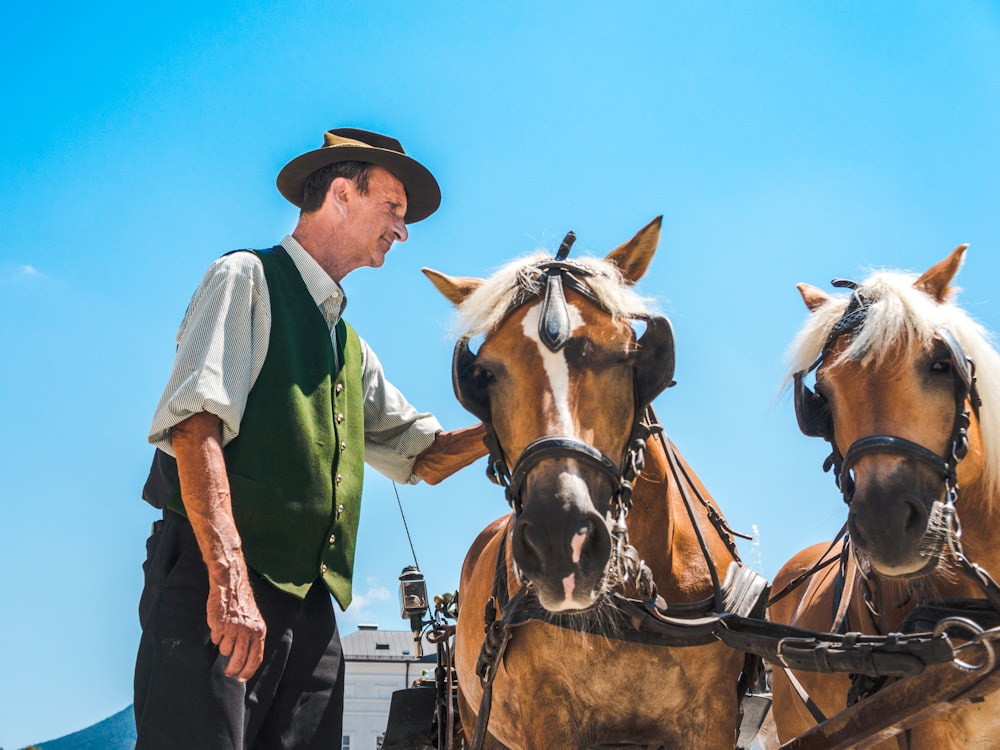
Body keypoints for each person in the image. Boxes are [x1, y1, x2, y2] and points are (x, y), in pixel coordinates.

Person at [134, 127, 487, 750]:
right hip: (217, 582)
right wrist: (229, 580)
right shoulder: (246, 277)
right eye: (394, 209)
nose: (402, 230)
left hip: (311, 605)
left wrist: (520, 426)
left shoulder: (349, 346)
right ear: (343, 193)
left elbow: (423, 456)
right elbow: (194, 428)